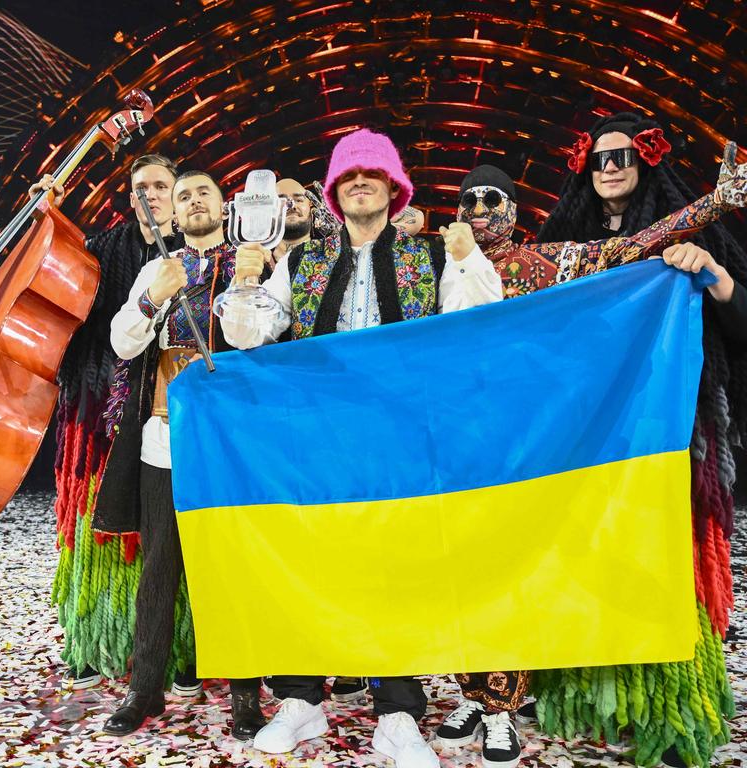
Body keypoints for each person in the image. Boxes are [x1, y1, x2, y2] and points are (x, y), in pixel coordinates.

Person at [223, 128, 502, 768]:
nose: (359, 181)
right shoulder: (305, 261)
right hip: (313, 444)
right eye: (348, 175)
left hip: (400, 446)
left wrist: (466, 261)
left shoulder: (431, 255)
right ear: (333, 192)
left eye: (371, 173)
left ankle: (398, 712)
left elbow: (478, 327)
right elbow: (247, 336)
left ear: (395, 186)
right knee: (306, 560)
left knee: (394, 570)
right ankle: (300, 699)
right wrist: (244, 283)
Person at [532, 113, 747, 768]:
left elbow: (743, 325)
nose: (612, 166)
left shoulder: (695, 239)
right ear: (585, 172)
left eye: (624, 155)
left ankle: (673, 712)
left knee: (666, 565)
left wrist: (710, 272)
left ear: (646, 162)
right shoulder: (563, 248)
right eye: (600, 159)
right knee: (595, 563)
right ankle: (599, 700)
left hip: (669, 431)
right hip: (589, 437)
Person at [94, 171, 265, 740]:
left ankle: (244, 695)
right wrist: (152, 297)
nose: (193, 202)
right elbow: (122, 342)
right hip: (164, 435)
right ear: (174, 209)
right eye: (184, 194)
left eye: (204, 194)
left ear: (226, 206)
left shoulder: (253, 261)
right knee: (159, 571)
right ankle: (145, 691)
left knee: (232, 571)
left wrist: (243, 285)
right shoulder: (156, 268)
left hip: (229, 444)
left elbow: (252, 338)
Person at [30, 155, 191, 692]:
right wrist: (42, 218)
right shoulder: (95, 252)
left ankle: (177, 650)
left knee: (170, 535)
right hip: (98, 408)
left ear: (178, 192)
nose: (151, 194)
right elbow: (43, 272)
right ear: (129, 197)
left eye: (162, 185)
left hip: (168, 412)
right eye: (141, 186)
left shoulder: (200, 254)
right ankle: (93, 644)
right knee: (94, 532)